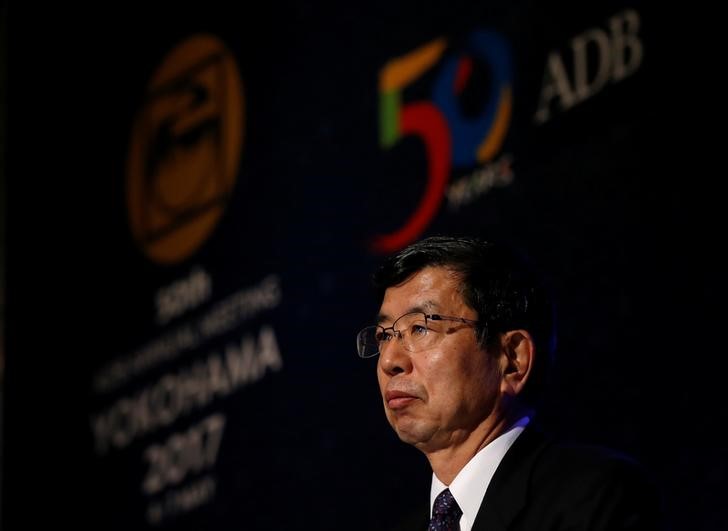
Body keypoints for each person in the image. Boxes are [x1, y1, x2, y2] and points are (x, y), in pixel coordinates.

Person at [356, 235, 663, 531]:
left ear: (512, 358)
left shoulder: (593, 496)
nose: (388, 361)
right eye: (384, 336)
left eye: (420, 328)